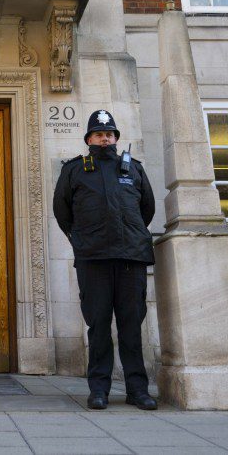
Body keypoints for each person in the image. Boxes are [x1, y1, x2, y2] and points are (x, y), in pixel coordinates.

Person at [52, 109, 158, 411]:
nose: (104, 138)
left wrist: (129, 235)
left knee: (131, 327)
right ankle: (98, 389)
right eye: (99, 134)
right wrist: (83, 239)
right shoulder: (74, 170)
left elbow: (146, 209)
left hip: (130, 258)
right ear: (88, 139)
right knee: (98, 327)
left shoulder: (133, 169)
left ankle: (138, 390)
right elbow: (63, 212)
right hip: (94, 259)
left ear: (115, 138)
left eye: (109, 134)